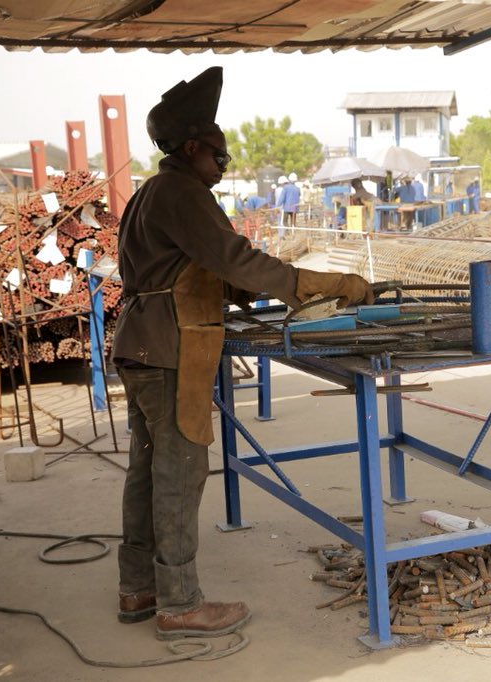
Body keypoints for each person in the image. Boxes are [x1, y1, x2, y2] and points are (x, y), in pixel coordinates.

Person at [111, 66, 373, 640]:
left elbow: (203, 269)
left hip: (142, 342)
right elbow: (238, 260)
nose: (223, 168)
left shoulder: (152, 192)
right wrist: (325, 284)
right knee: (178, 474)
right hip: (172, 347)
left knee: (147, 472)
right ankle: (179, 603)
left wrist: (249, 287)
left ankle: (139, 589)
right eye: (220, 157)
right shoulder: (183, 192)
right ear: (192, 148)